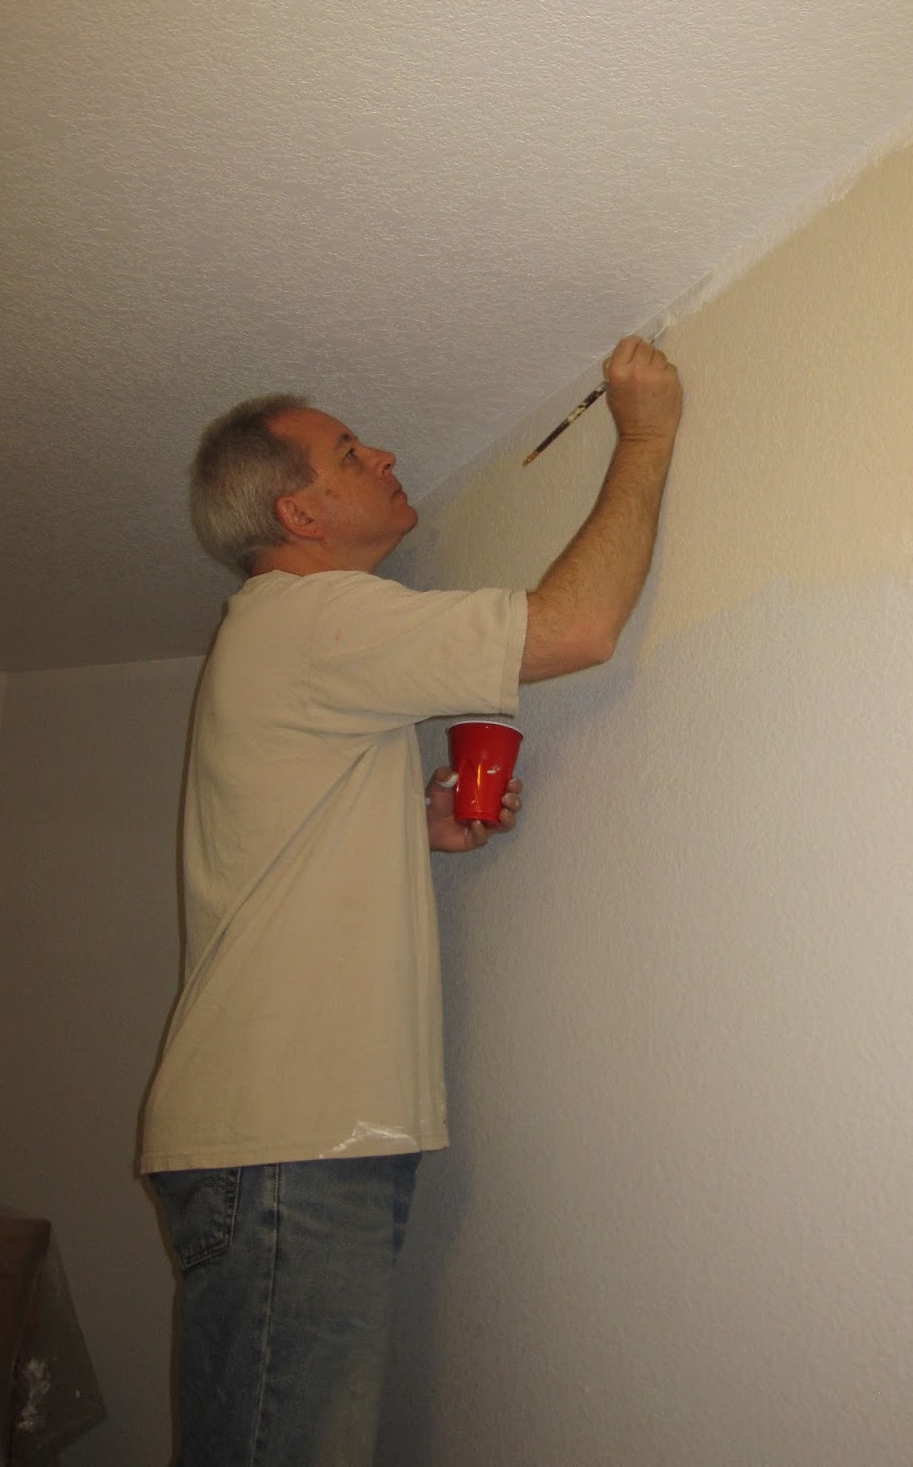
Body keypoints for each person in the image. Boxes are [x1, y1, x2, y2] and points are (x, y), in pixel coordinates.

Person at [139, 334, 682, 1465]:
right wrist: (645, 434)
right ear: (297, 515)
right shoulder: (314, 618)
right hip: (289, 1136)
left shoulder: (286, 643)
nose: (385, 454)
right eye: (350, 451)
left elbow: (281, 851)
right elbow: (574, 627)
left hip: (286, 1133)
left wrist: (410, 827)